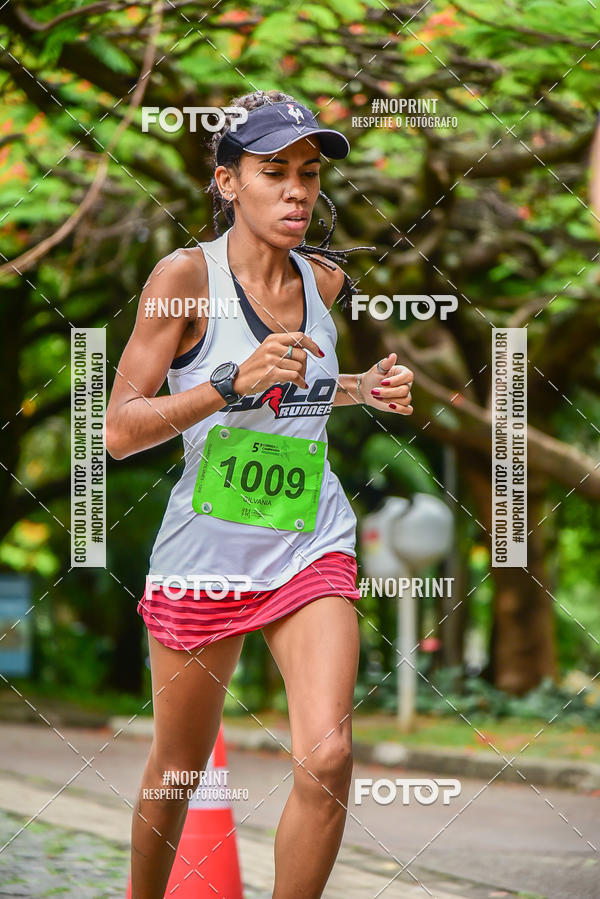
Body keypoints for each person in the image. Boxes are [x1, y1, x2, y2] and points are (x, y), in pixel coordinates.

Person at [105, 88, 414, 899]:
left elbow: (296, 392)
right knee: (177, 768)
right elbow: (119, 429)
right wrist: (223, 383)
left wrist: (361, 387)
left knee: (329, 756)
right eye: (273, 172)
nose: (296, 192)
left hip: (309, 540)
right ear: (228, 181)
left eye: (308, 174)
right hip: (208, 551)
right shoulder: (184, 279)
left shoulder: (325, 280)